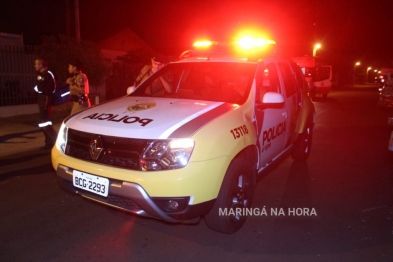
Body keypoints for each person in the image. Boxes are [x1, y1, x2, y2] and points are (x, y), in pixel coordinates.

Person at [34, 58, 57, 150]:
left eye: (36, 64)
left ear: (41, 65)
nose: (35, 66)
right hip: (43, 100)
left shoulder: (47, 74)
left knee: (43, 122)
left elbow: (39, 88)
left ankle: (56, 140)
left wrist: (37, 87)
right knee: (44, 122)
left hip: (46, 101)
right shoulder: (43, 75)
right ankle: (49, 143)